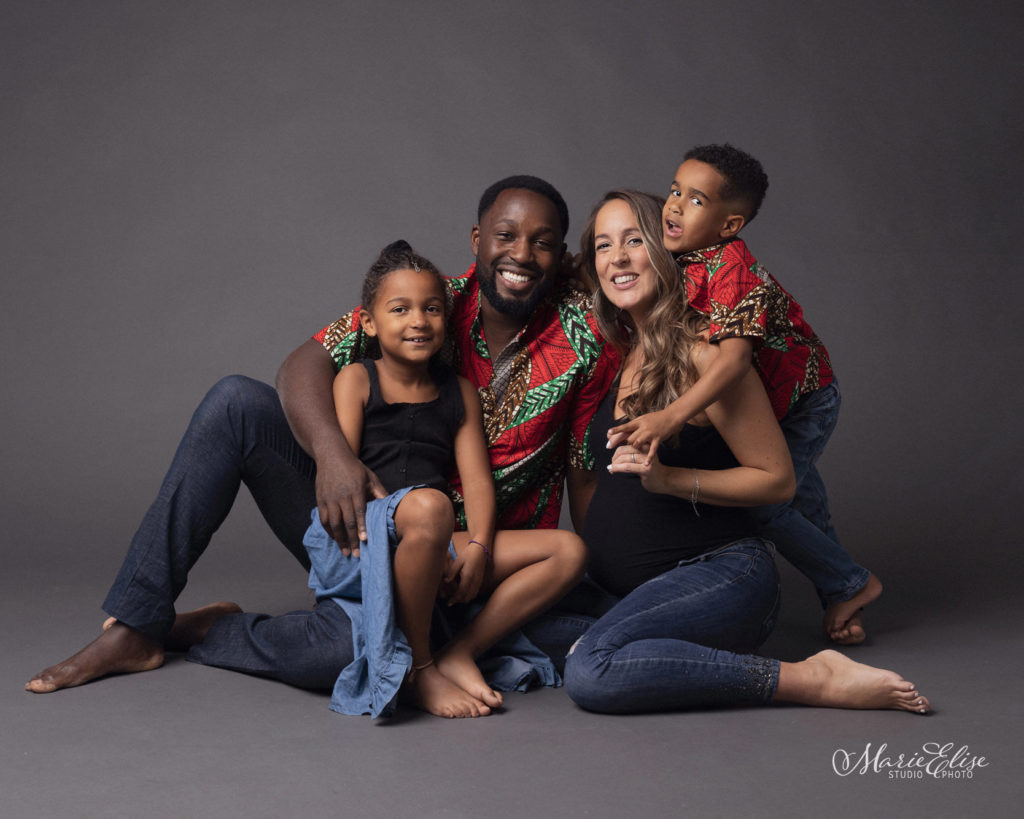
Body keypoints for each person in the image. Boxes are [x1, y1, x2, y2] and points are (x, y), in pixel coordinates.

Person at [26, 175, 616, 697]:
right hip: (362, 523)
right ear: (476, 240)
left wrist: (594, 569)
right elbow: (302, 365)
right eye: (505, 237)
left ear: (560, 252)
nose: (521, 255)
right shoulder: (431, 299)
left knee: (345, 656)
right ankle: (136, 624)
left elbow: (584, 469)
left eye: (542, 243)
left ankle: (215, 627)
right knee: (234, 401)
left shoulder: (584, 334)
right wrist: (335, 457)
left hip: (471, 562)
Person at [562, 190, 929, 715]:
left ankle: (808, 678)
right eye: (602, 245)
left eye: (634, 240)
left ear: (668, 252)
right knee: (519, 616)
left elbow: (776, 480)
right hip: (628, 590)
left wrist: (667, 479)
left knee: (590, 672)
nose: (616, 258)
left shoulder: (704, 357)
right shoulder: (624, 355)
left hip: (722, 575)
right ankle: (632, 645)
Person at [299, 239, 586, 718]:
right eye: (400, 309)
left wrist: (476, 547)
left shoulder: (459, 392)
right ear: (369, 322)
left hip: (434, 534)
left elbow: (476, 483)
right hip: (369, 534)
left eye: (431, 309)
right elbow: (345, 475)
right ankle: (419, 667)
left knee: (569, 550)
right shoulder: (355, 379)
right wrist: (406, 523)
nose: (418, 320)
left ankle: (462, 650)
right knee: (430, 506)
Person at [607, 145, 880, 644]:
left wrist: (669, 417)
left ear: (729, 225)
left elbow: (732, 361)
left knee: (769, 503)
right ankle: (843, 593)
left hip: (805, 398)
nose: (673, 205)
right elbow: (622, 263)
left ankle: (851, 583)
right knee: (808, 507)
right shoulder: (685, 254)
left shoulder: (732, 268)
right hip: (773, 400)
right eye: (673, 190)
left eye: (694, 200)